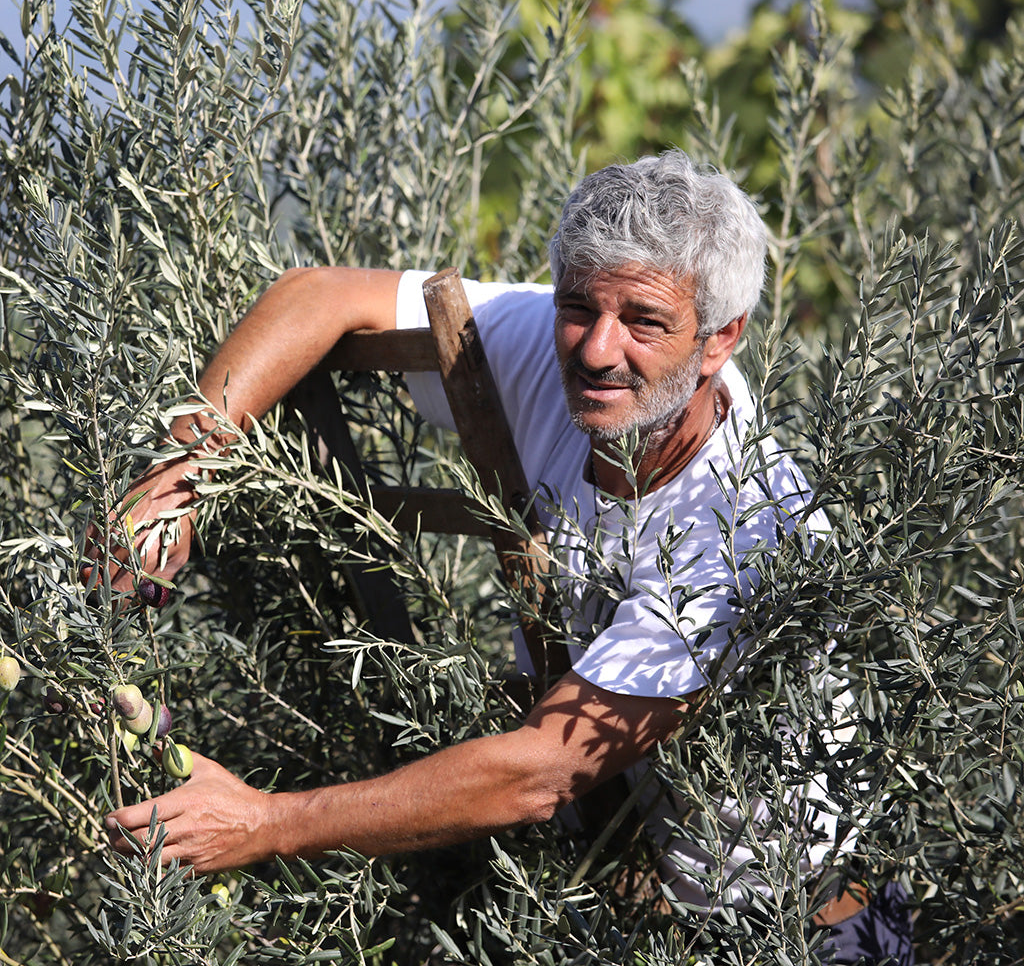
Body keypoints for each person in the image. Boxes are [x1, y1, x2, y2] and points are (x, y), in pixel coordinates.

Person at [95, 151, 913, 964]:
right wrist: (173, 482)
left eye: (646, 323)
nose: (597, 349)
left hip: (795, 935)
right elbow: (321, 294)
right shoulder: (577, 352)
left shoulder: (737, 532)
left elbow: (539, 773)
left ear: (720, 339)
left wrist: (263, 824)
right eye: (578, 307)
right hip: (632, 907)